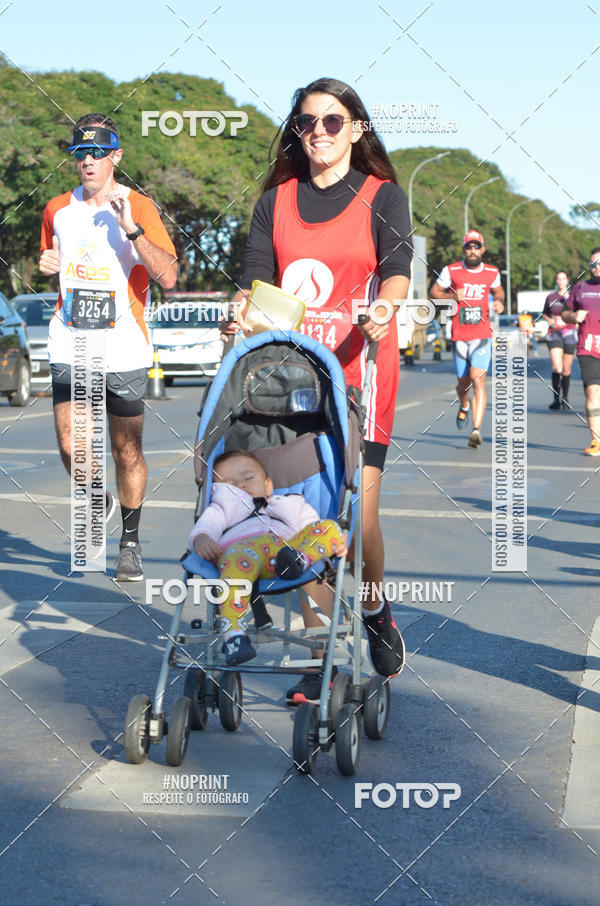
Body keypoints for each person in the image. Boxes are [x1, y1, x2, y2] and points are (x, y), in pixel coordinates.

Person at [222, 76, 411, 700]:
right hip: (292, 382)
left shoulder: (384, 197)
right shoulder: (275, 202)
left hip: (361, 376)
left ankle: (377, 607)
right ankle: (316, 656)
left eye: (334, 121)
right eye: (307, 122)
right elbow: (253, 281)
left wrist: (385, 309)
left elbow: (396, 275)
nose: (320, 133)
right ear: (296, 132)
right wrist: (237, 312)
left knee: (359, 520)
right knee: (308, 509)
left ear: (357, 129)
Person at [39, 114, 178, 579]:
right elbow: (49, 258)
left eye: (98, 153)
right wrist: (46, 261)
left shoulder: (139, 206)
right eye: (81, 154)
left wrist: (131, 229)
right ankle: (97, 498)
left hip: (123, 345)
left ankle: (131, 541)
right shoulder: (57, 208)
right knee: (69, 444)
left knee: (126, 451)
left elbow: (169, 275)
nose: (89, 162)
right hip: (70, 337)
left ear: (116, 156)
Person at [189, 451, 346, 666]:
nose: (241, 486)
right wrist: (202, 539)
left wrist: (331, 543)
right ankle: (233, 632)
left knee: (328, 527)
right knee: (235, 559)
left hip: (286, 552)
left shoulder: (290, 504)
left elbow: (313, 526)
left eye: (248, 478)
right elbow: (206, 526)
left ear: (268, 485)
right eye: (230, 484)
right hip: (243, 555)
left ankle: (302, 558)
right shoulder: (222, 508)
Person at [431, 230, 505, 448]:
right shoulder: (451, 270)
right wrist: (452, 296)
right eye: (468, 247)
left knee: (477, 379)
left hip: (482, 335)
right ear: (463, 249)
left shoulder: (492, 272)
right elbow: (434, 292)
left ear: (482, 249)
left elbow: (499, 291)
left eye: (476, 246)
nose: (472, 251)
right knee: (463, 383)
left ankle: (476, 429)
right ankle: (464, 405)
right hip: (459, 335)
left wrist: (499, 301)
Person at [561, 248, 600, 455]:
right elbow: (564, 313)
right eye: (594, 264)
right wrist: (573, 316)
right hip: (588, 347)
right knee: (592, 391)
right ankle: (596, 440)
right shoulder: (581, 287)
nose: (597, 267)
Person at [542, 270, 576, 409]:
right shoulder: (551, 297)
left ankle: (565, 398)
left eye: (563, 278)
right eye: (558, 278)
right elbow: (545, 313)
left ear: (567, 280)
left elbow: (579, 312)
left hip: (569, 333)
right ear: (556, 281)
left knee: (566, 369)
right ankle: (556, 399)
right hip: (554, 333)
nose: (561, 281)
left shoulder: (573, 297)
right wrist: (549, 320)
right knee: (557, 367)